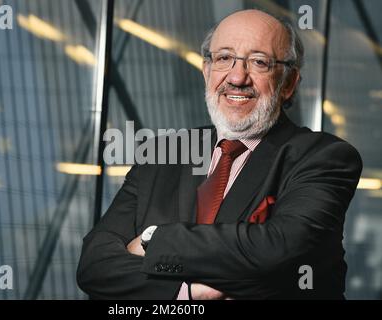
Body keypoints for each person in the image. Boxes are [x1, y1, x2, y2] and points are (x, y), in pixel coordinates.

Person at [77, 9, 362, 299]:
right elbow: (95, 266)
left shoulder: (325, 157)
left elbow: (281, 251)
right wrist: (188, 293)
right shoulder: (161, 153)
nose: (237, 77)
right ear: (206, 71)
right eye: (224, 58)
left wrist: (155, 239)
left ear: (288, 84)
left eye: (259, 62)